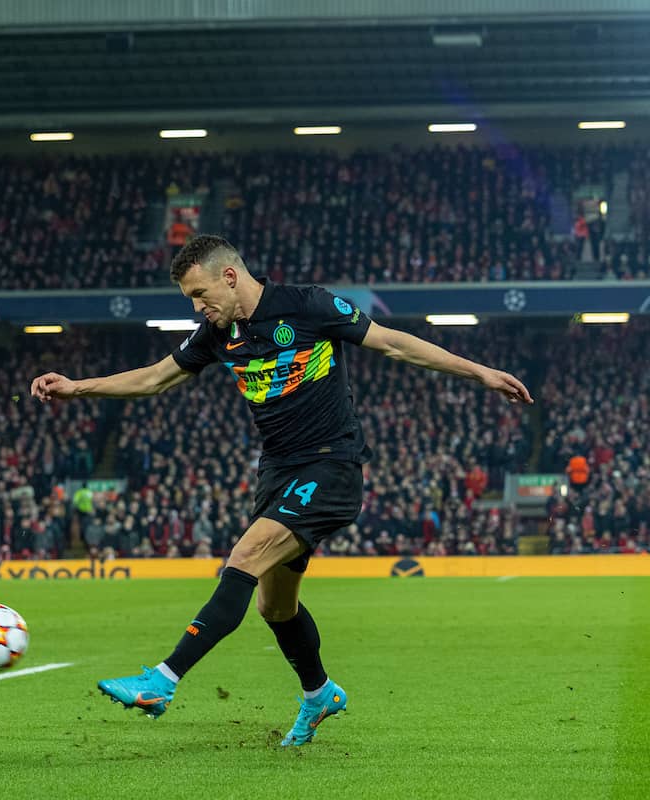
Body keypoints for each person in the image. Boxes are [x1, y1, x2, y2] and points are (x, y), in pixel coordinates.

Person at [30, 234, 533, 746]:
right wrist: (76, 386)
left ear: (229, 276)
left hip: (330, 466)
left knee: (244, 557)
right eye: (191, 301)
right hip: (276, 474)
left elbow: (395, 343)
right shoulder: (216, 332)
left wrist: (480, 372)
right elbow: (155, 379)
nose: (198, 308)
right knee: (275, 607)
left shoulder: (308, 305)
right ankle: (320, 694)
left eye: (200, 295)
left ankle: (162, 680)